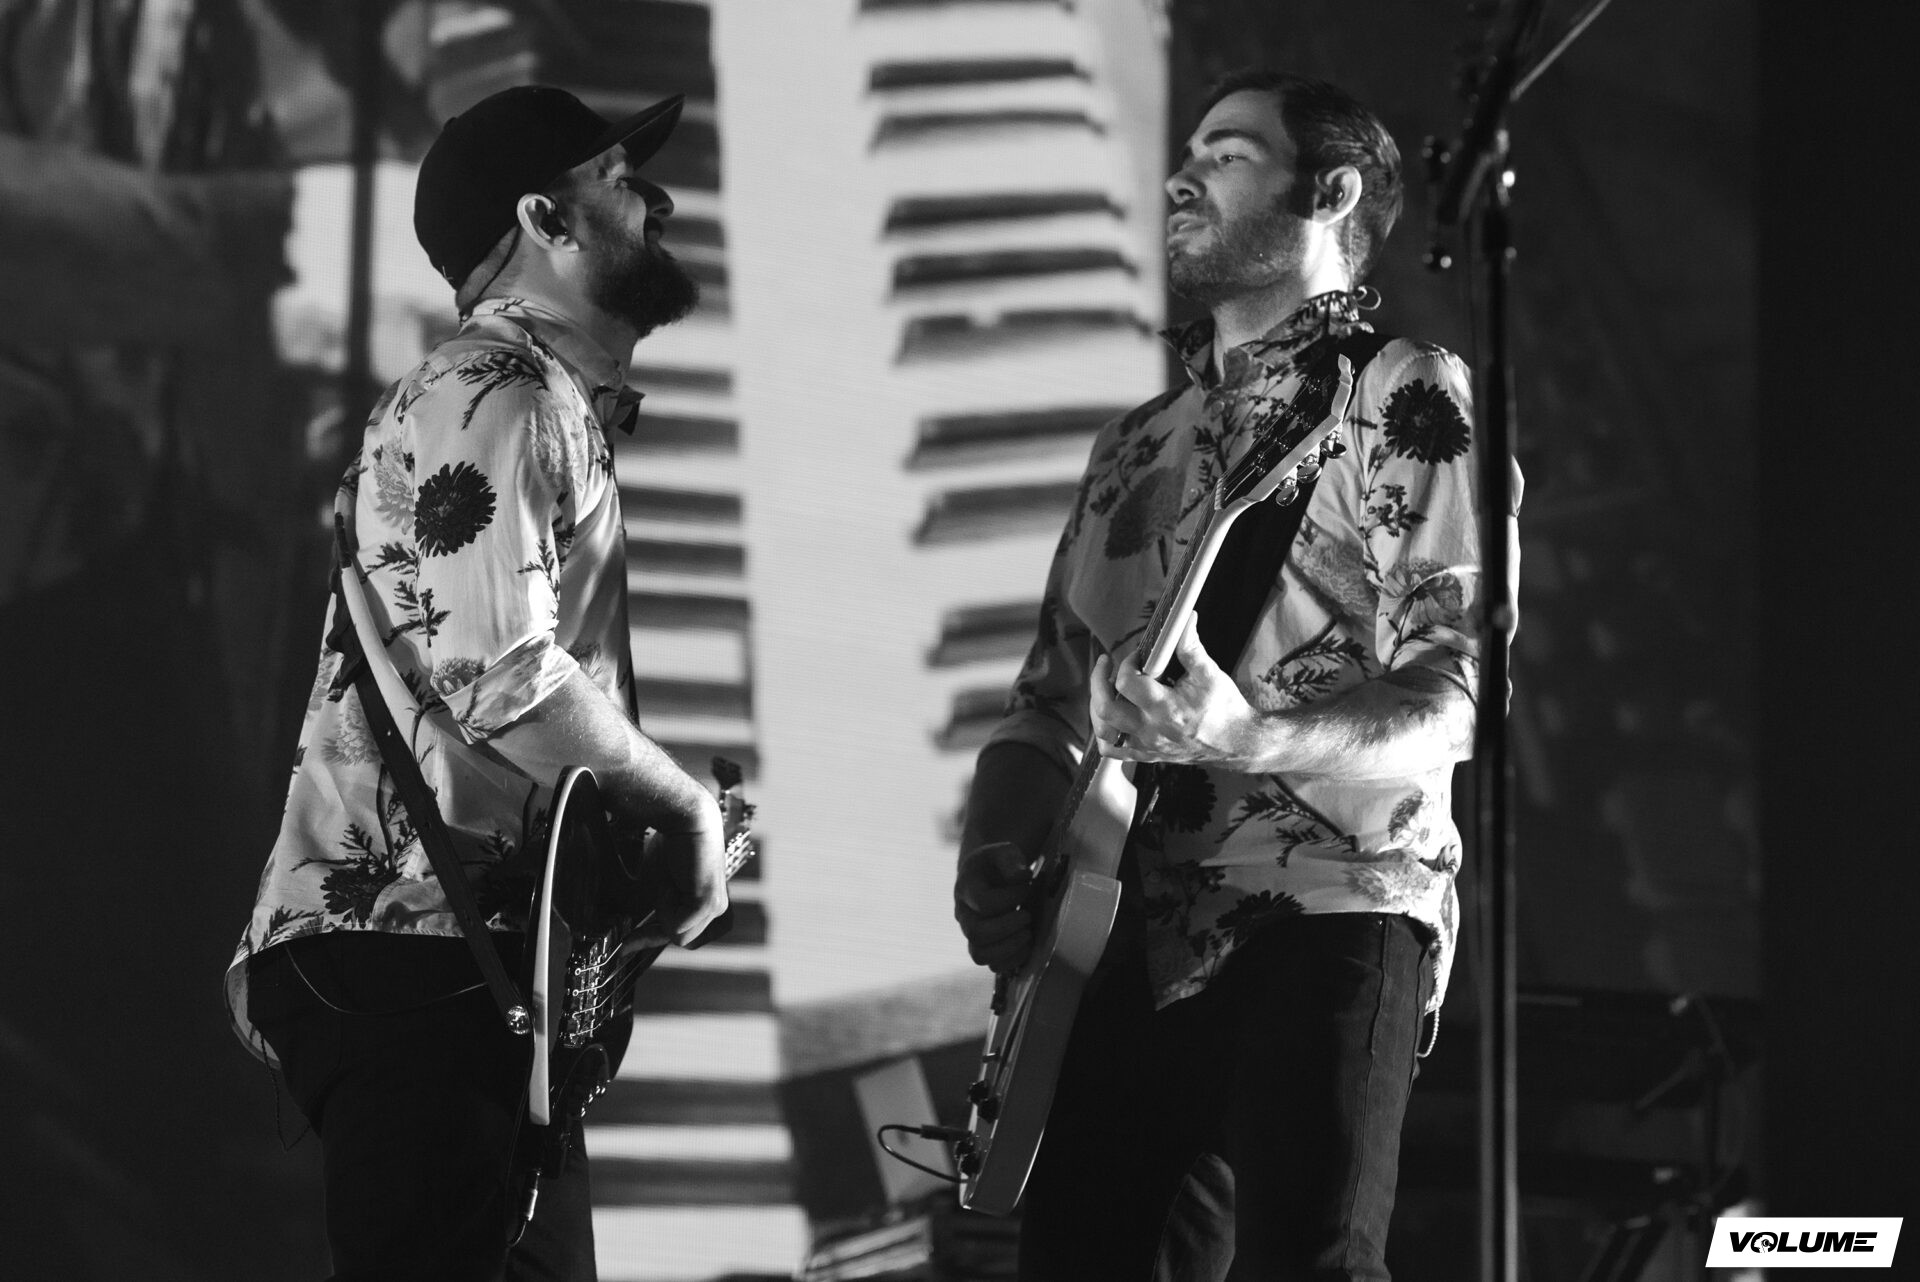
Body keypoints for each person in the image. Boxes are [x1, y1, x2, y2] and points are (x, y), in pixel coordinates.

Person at [953, 70, 1518, 1281]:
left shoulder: (1401, 393)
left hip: (1329, 907)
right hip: (1119, 938)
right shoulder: (1135, 447)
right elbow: (1047, 706)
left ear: (1333, 192)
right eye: (1190, 152)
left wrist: (1249, 734)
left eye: (1229, 153)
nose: (1181, 174)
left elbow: (1457, 693)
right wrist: (994, 839)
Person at [226, 85, 731, 1281]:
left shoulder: (521, 396)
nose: (655, 201)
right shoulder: (496, 391)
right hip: (420, 967)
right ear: (545, 220)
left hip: (456, 968)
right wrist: (683, 808)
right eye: (620, 179)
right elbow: (500, 675)